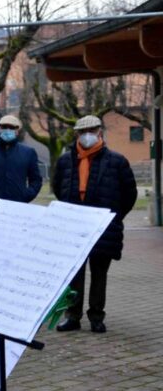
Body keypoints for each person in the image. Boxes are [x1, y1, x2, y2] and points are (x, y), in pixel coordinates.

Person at [53, 115, 137, 334]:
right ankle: (72, 315)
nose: (87, 135)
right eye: (83, 131)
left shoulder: (116, 161)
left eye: (92, 130)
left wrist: (115, 217)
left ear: (100, 131)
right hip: (74, 228)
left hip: (103, 228)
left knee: (99, 274)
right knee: (74, 274)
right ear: (76, 134)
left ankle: (96, 316)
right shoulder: (65, 161)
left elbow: (129, 194)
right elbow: (57, 188)